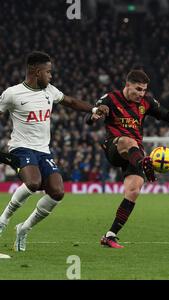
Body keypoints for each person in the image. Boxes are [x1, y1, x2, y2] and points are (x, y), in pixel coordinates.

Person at [0, 51, 109, 251]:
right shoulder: (12, 94)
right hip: (21, 147)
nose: (51, 76)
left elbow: (70, 102)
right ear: (35, 71)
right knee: (33, 182)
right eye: (48, 72)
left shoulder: (49, 90)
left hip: (43, 150)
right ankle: (3, 219)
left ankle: (23, 229)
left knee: (58, 192)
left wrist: (93, 109)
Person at [88, 69, 169, 248]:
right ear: (127, 85)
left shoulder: (146, 102)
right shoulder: (110, 99)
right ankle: (144, 163)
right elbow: (91, 117)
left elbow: (165, 116)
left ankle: (109, 236)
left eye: (144, 90)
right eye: (138, 89)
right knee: (128, 140)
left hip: (136, 152)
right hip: (115, 147)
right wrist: (95, 116)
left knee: (133, 191)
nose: (141, 94)